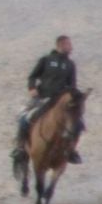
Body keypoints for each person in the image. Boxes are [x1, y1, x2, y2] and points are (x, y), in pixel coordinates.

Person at [13, 36, 83, 164]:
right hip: (42, 98)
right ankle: (20, 147)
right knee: (24, 118)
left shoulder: (70, 65)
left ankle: (71, 150)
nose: (71, 47)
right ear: (60, 45)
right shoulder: (46, 60)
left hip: (60, 102)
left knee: (78, 124)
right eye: (68, 44)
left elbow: (72, 85)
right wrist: (32, 88)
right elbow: (32, 76)